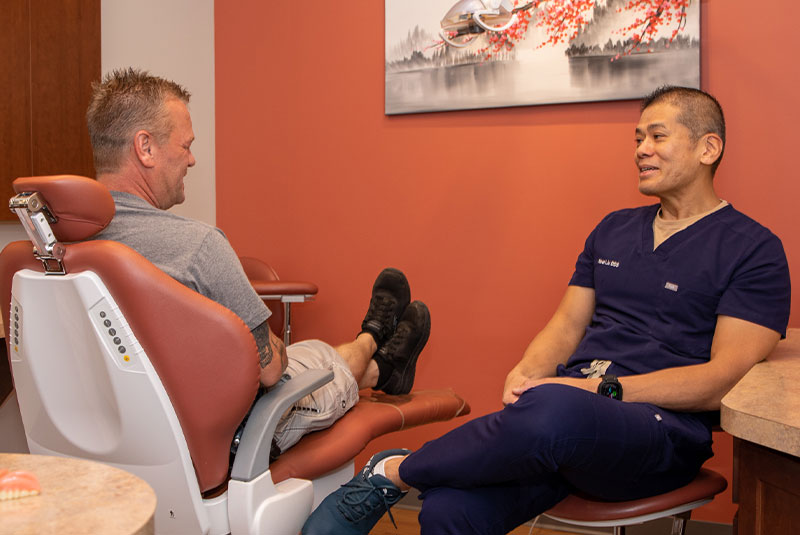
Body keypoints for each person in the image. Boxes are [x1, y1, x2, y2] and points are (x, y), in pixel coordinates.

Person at [302, 86, 792, 535]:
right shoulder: (614, 229)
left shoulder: (754, 250)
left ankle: (392, 470)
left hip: (660, 432)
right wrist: (526, 376)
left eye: (658, 136)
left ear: (709, 148)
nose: (641, 149)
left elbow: (726, 378)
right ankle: (492, 440)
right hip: (567, 416)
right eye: (638, 137)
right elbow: (567, 324)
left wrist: (597, 390)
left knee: (556, 409)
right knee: (451, 506)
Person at [85, 68, 432, 457]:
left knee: (314, 357)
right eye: (185, 146)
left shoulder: (51, 254)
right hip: (226, 438)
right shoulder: (197, 248)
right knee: (316, 356)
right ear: (145, 148)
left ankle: (382, 361)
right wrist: (266, 343)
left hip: (116, 442)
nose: (192, 160)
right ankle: (374, 344)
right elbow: (269, 370)